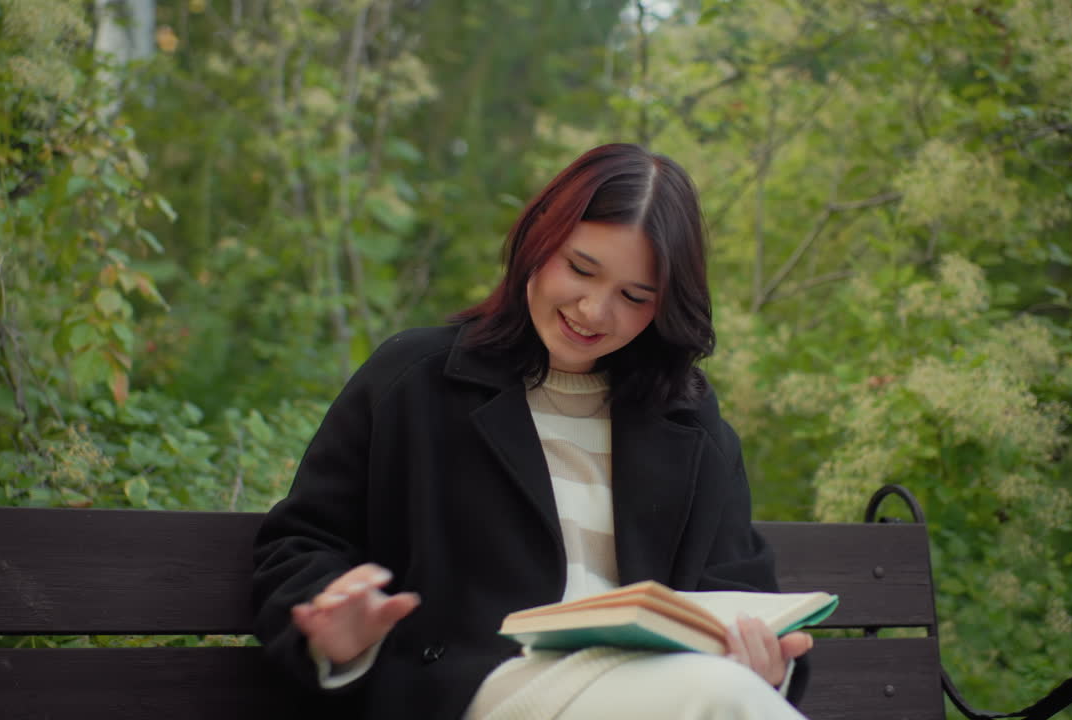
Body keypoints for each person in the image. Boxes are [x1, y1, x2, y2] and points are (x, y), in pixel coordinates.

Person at [252, 143, 813, 719]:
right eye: (581, 269)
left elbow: (740, 593)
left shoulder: (689, 420)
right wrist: (336, 628)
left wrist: (769, 663)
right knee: (718, 698)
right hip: (478, 690)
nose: (594, 311)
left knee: (721, 692)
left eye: (634, 296)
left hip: (660, 683)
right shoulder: (415, 381)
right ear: (538, 241)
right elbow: (303, 542)